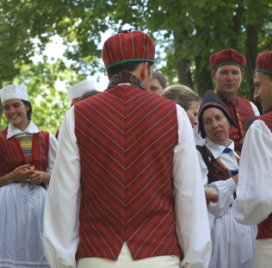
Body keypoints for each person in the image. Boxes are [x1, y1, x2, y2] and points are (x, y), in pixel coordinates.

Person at [44, 30, 211, 268]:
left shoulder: (77, 115)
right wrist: (195, 261)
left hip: (96, 256)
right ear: (145, 68)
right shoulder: (173, 114)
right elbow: (189, 194)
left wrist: (63, 262)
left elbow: (63, 197)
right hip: (159, 255)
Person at [0, 84, 57, 268]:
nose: (11, 111)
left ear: (27, 106)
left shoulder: (48, 139)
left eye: (16, 105)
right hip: (7, 208)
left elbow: (61, 177)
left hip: (40, 207)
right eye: (7, 107)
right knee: (8, 251)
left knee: (38, 252)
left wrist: (44, 177)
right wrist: (10, 177)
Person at [196, 91, 256, 268]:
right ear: (203, 129)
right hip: (222, 233)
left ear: (228, 120)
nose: (215, 125)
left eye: (218, 118)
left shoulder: (239, 154)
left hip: (248, 227)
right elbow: (201, 195)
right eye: (208, 122)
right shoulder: (201, 155)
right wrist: (234, 182)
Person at [233, 50, 272, 268]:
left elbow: (259, 199)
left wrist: (240, 212)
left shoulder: (262, 127)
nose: (255, 95)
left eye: (258, 85)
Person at [210, 48, 259, 152]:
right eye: (224, 72)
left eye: (235, 72)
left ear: (242, 76)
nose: (230, 78)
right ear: (213, 76)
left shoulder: (251, 106)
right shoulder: (203, 108)